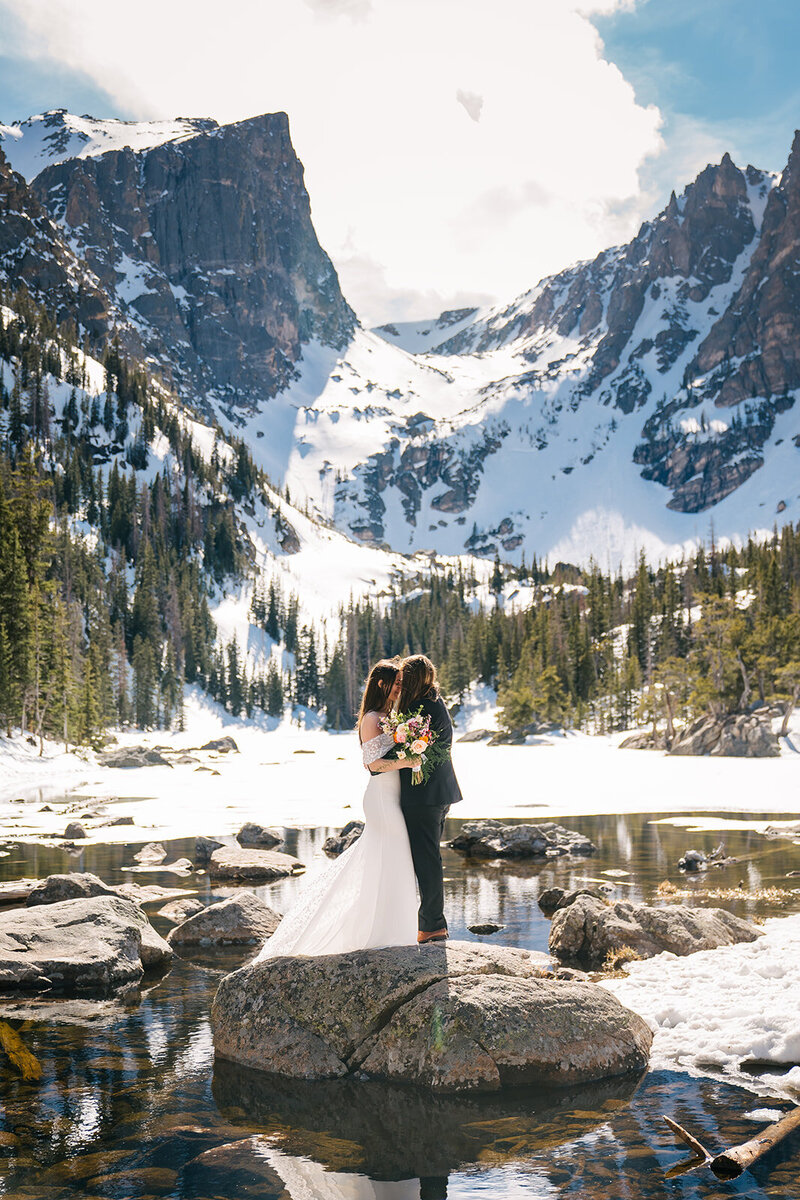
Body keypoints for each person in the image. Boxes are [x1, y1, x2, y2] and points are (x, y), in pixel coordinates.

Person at [253, 658, 421, 960]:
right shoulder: (372, 718)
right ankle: (379, 933)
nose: (399, 689)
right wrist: (407, 761)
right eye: (396, 684)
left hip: (393, 796)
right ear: (382, 684)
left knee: (392, 862)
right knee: (389, 858)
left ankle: (394, 931)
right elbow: (372, 765)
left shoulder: (389, 716)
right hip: (382, 799)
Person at [398, 654, 462, 944]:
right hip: (439, 791)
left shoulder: (421, 706)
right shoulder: (435, 700)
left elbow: (416, 750)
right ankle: (432, 923)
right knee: (430, 858)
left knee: (427, 861)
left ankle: (433, 925)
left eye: (403, 678)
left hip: (424, 794)